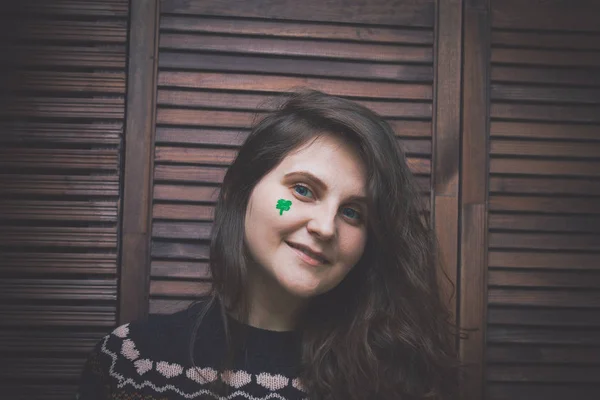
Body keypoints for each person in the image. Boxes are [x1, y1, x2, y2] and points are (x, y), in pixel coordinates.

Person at [77, 89, 459, 400]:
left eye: (353, 213)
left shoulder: (400, 385)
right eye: (303, 190)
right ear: (237, 193)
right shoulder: (130, 360)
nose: (326, 227)